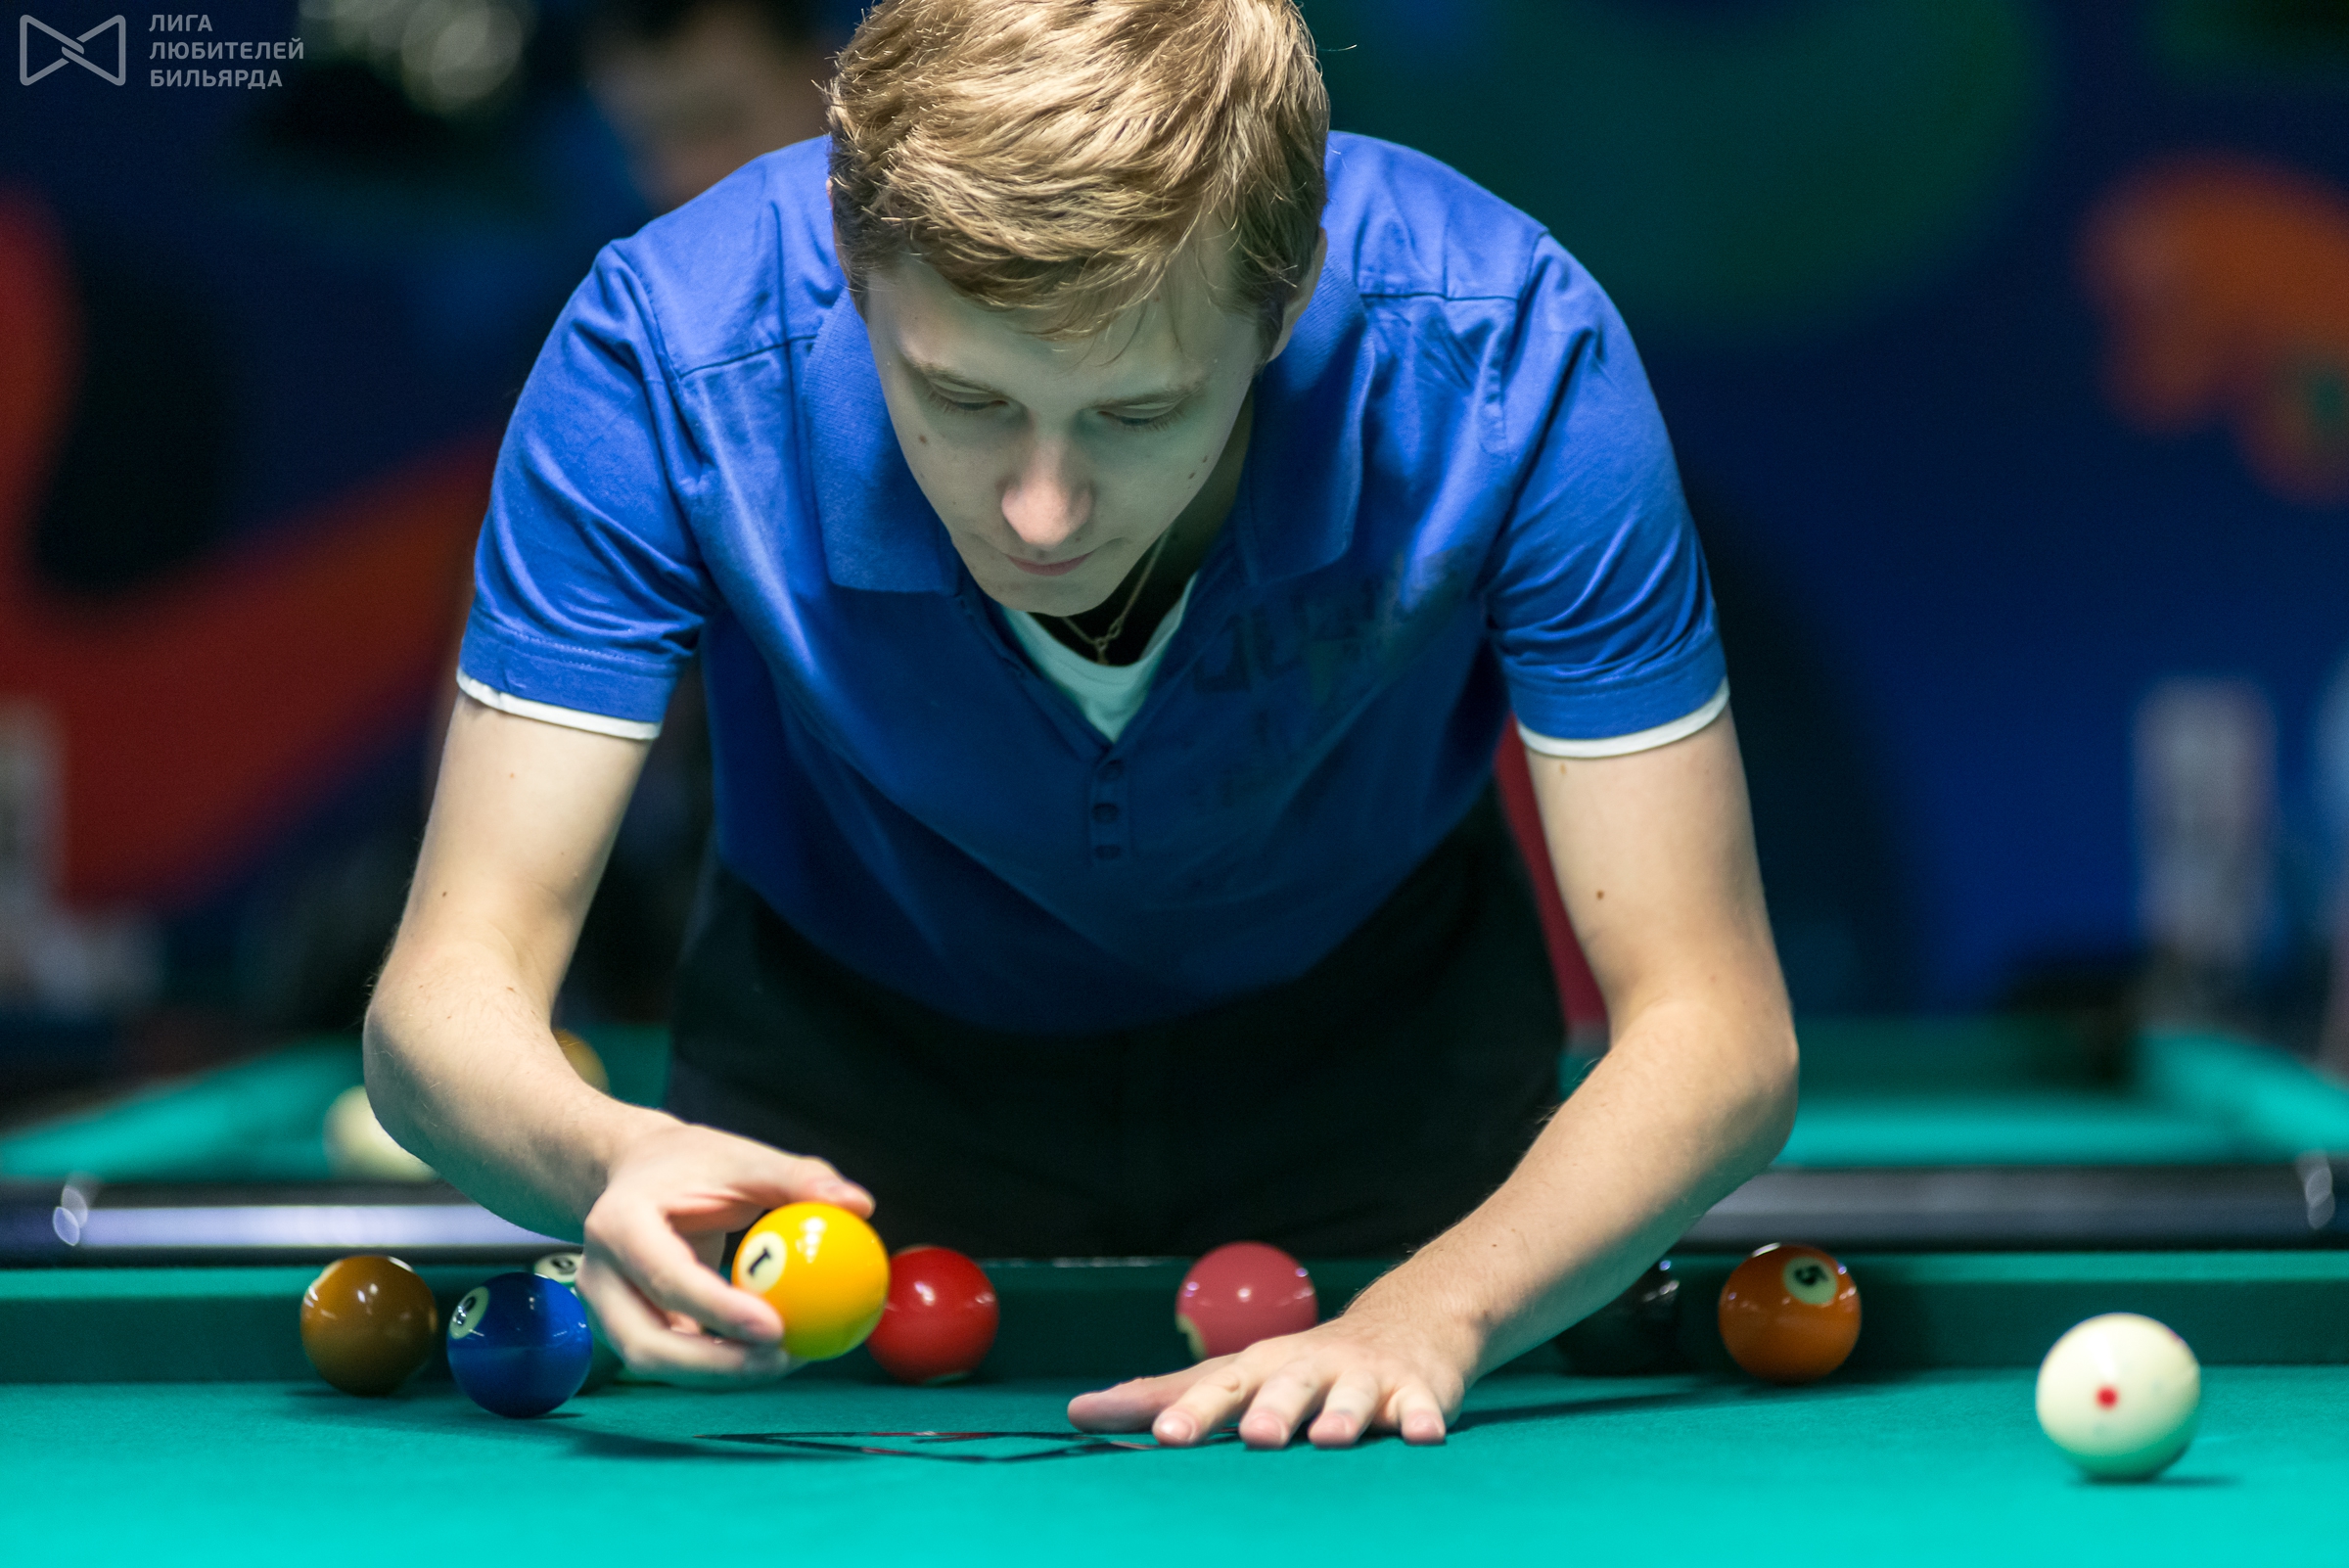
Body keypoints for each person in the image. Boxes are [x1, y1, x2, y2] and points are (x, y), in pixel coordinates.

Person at [365, 0, 1797, 1451]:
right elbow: (440, 1000)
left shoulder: (1505, 351)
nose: (1042, 512)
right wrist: (606, 1156)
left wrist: (1437, 1313)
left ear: (1287, 297)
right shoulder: (669, 354)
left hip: (1387, 1069)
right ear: (856, 262)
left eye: (1139, 410)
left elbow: (1715, 1026)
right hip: (843, 1087)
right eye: (963, 394)